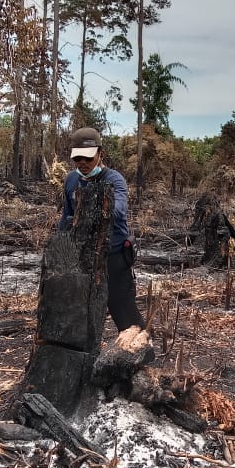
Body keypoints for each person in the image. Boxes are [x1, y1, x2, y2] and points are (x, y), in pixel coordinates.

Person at [58, 127, 144, 331]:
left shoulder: (114, 179)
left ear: (100, 154)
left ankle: (140, 345)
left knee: (124, 313)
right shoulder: (71, 180)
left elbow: (118, 211)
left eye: (88, 158)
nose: (83, 163)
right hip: (82, 256)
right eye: (78, 158)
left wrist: (89, 210)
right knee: (79, 313)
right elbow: (66, 217)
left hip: (113, 255)